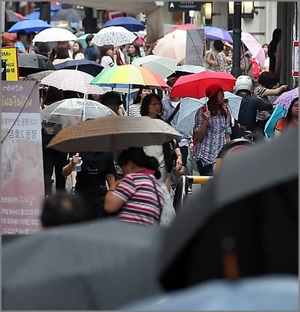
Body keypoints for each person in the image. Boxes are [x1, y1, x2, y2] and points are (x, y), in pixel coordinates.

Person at [104, 147, 164, 226]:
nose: (123, 173)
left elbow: (109, 207)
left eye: (123, 169)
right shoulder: (156, 185)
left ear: (130, 165)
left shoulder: (133, 179)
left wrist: (113, 186)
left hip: (129, 232)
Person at [141, 93, 183, 190]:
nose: (157, 106)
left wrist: (179, 156)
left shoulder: (163, 123)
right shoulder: (140, 124)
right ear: (146, 106)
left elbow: (173, 141)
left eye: (159, 104)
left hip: (161, 164)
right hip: (144, 164)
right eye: (153, 104)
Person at [62, 150, 116, 219]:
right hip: (81, 194)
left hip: (100, 194)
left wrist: (113, 194)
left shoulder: (106, 154)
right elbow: (64, 173)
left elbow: (110, 177)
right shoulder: (78, 152)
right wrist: (71, 164)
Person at [193, 84, 231, 176]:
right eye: (220, 93)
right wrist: (206, 120)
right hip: (205, 155)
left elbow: (227, 134)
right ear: (214, 95)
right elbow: (198, 136)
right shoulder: (202, 111)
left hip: (220, 156)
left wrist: (229, 151)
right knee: (207, 186)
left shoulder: (225, 112)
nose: (223, 95)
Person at [41, 86, 67, 197]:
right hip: (60, 142)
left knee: (47, 171)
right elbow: (66, 124)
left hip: (46, 142)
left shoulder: (42, 107)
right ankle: (60, 196)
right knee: (60, 171)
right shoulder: (63, 107)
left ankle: (48, 195)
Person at [235, 75, 273, 141]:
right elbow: (269, 106)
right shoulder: (255, 100)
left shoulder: (230, 99)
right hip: (252, 131)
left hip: (235, 131)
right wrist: (258, 98)